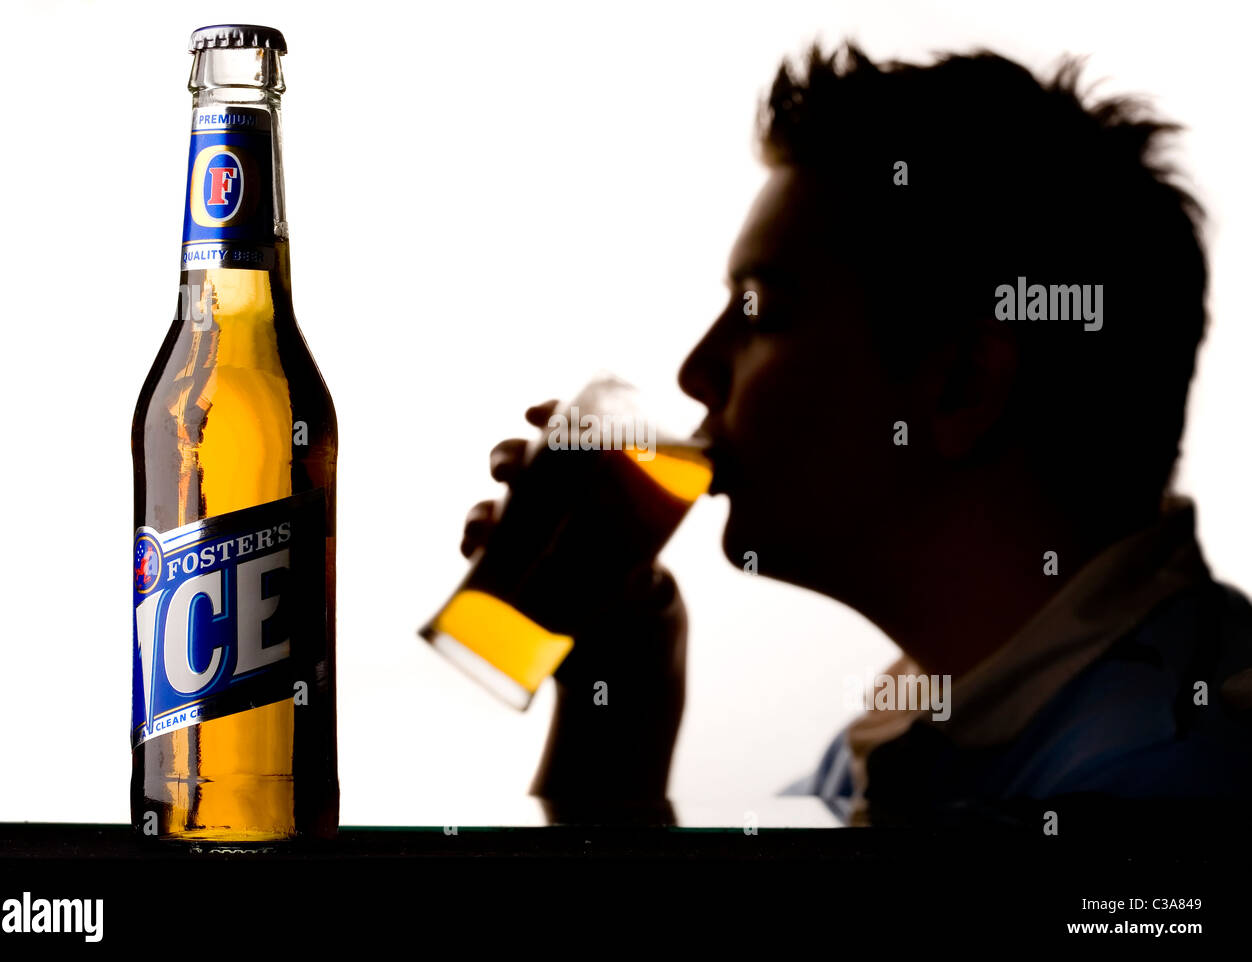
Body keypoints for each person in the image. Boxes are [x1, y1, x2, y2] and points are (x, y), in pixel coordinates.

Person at [460, 41, 1252, 829]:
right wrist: (625, 688)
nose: (695, 372)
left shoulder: (1155, 795)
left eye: (758, 312)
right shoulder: (936, 719)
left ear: (961, 387)